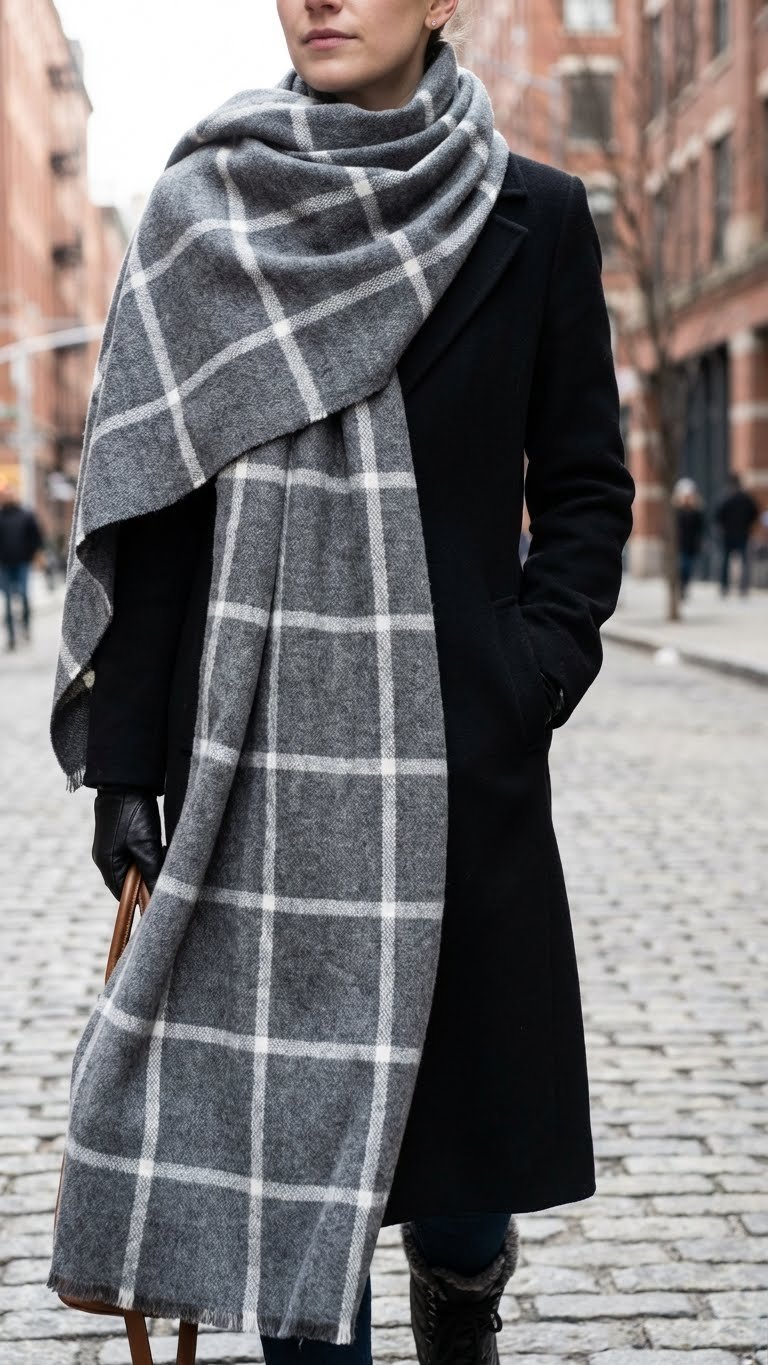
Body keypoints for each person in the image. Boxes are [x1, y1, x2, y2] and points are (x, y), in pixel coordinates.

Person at [48, 2, 635, 1361]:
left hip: (456, 775)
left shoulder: (534, 216)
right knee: (293, 1213)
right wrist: (128, 763)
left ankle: (464, 1309)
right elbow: (152, 511)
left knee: (464, 1197)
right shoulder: (209, 212)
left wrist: (524, 671)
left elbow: (587, 486)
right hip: (253, 775)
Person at [0, 479, 44, 651]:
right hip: (4, 565)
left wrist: (37, 556)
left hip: (23, 563)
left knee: (24, 596)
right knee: (8, 600)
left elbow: (36, 537)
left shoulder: (26, 515)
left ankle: (25, 626)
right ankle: (11, 637)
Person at [714, 471, 759, 596]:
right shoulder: (746, 498)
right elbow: (755, 513)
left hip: (728, 535)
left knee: (725, 562)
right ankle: (743, 588)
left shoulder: (725, 498)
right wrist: (748, 525)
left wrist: (723, 528)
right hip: (743, 533)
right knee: (744, 562)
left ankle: (724, 587)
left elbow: (717, 516)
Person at [672, 477, 705, 599]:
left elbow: (700, 528)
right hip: (679, 544)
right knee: (682, 566)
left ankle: (684, 586)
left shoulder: (696, 512)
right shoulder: (676, 511)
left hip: (691, 545)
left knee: (688, 568)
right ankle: (680, 587)